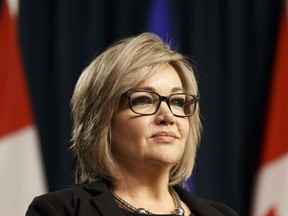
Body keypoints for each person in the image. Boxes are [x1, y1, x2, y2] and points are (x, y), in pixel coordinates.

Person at [26, 32, 238, 216]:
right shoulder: (59, 211)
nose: (168, 116)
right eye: (144, 100)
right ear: (102, 120)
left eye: (177, 101)